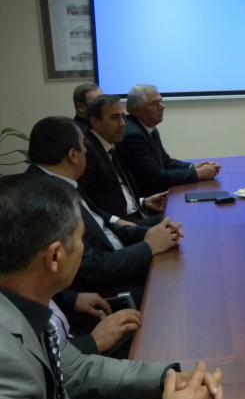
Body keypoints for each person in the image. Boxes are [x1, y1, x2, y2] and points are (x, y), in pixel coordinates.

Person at [0, 173, 223, 399]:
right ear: (55, 256)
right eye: (81, 238)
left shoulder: (23, 305)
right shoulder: (5, 362)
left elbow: (76, 368)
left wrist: (169, 377)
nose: (84, 248)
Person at [26, 116, 182, 307]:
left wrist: (155, 233)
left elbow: (104, 226)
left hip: (116, 257)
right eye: (83, 145)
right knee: (176, 287)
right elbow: (93, 269)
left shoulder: (58, 180)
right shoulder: (47, 200)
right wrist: (149, 246)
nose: (87, 151)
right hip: (103, 288)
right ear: (73, 155)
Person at [116, 84, 221, 196]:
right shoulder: (133, 135)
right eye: (155, 103)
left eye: (161, 101)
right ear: (137, 110)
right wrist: (198, 173)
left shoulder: (148, 127)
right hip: (148, 199)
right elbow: (156, 178)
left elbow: (166, 162)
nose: (162, 107)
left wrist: (193, 167)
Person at [80, 94, 167, 223]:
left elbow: (116, 195)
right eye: (115, 118)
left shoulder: (109, 145)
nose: (122, 124)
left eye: (123, 117)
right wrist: (117, 222)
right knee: (180, 218)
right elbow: (88, 205)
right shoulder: (87, 153)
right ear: (95, 122)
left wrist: (143, 202)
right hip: (121, 225)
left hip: (136, 215)